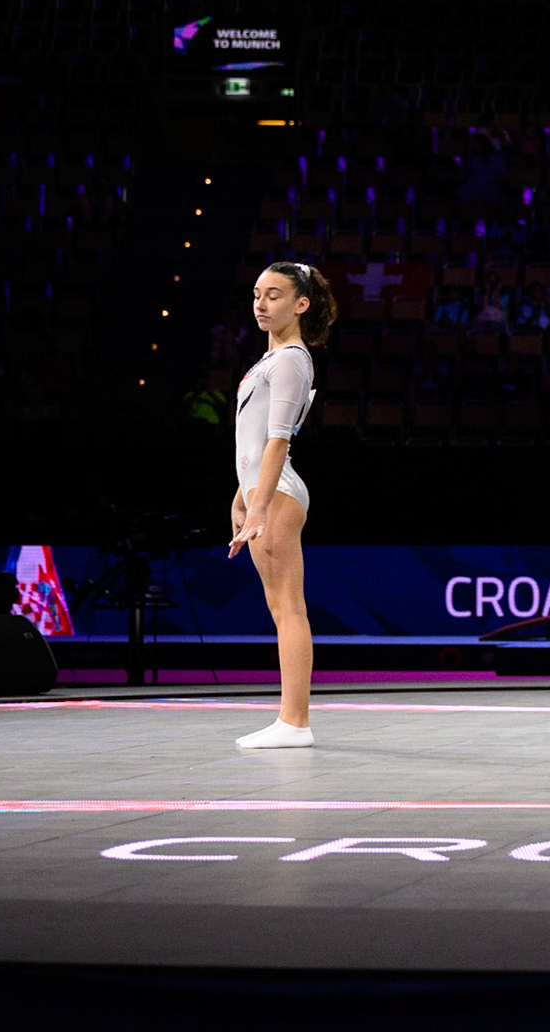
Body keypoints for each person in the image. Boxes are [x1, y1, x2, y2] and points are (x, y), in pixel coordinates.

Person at [226, 261, 336, 749]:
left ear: (301, 304)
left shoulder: (292, 358)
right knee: (281, 608)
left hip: (279, 494)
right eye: (256, 295)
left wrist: (261, 504)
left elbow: (277, 440)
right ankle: (291, 719)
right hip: (265, 491)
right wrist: (242, 495)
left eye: (273, 295)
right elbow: (249, 440)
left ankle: (295, 721)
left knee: (289, 608)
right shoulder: (271, 361)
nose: (261, 304)